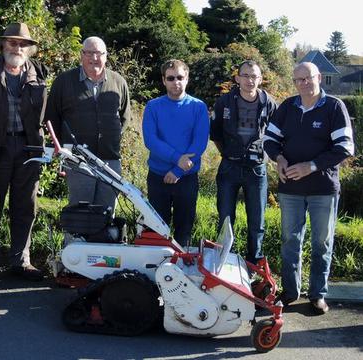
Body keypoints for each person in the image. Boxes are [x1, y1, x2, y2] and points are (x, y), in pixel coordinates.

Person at [264, 62, 354, 315]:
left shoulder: (335, 107)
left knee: (321, 243)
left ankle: (317, 295)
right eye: (298, 79)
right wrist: (279, 159)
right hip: (290, 188)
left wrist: (311, 166)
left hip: (322, 188)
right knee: (290, 240)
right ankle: (291, 292)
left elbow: (345, 147)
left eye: (308, 78)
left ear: (319, 78)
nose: (303, 83)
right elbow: (270, 139)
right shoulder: (288, 106)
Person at [0, 23, 48, 284]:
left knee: (26, 206)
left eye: (22, 43)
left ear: (28, 48)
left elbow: (47, 114)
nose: (17, 47)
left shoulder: (38, 73)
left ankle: (20, 260)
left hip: (29, 148)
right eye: (12, 42)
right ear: (3, 44)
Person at [45, 36, 131, 213]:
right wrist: (64, 150)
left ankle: (105, 242)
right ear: (81, 55)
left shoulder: (119, 82)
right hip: (78, 160)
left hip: (110, 160)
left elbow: (124, 118)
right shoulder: (64, 81)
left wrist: (110, 139)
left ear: (106, 56)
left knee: (107, 212)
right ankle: (74, 242)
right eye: (89, 53)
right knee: (79, 212)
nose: (94, 58)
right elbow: (52, 118)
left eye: (99, 53)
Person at [210, 60, 277, 264]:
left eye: (254, 76)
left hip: (256, 170)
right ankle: (225, 260)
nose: (250, 80)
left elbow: (276, 135)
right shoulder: (225, 102)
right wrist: (229, 154)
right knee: (225, 219)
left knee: (257, 221)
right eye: (246, 75)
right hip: (229, 167)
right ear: (237, 78)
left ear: (261, 79)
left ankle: (253, 264)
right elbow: (216, 134)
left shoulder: (269, 103)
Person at [142, 59, 209, 247]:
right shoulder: (153, 106)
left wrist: (178, 170)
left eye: (180, 77)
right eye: (170, 78)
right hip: (158, 177)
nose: (175, 82)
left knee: (184, 229)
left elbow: (199, 142)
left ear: (187, 79)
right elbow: (151, 140)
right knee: (156, 230)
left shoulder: (198, 107)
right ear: (163, 80)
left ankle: (179, 271)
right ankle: (157, 271)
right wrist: (176, 159)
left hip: (186, 178)